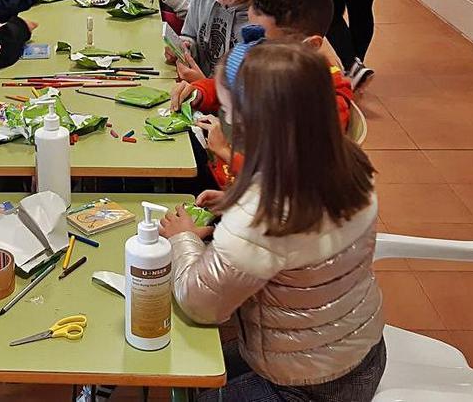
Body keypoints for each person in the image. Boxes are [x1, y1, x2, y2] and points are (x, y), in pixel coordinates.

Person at [159, 43, 385, 402]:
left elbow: (198, 303)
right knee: (197, 370)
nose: (225, 122)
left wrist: (183, 238)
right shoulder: (346, 159)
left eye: (228, 111)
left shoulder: (262, 211)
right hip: (356, 351)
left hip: (305, 385)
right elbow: (295, 241)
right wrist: (232, 206)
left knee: (187, 377)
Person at [173, 0, 356, 187]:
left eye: (264, 41)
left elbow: (290, 175)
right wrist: (199, 92)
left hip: (250, 194)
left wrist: (224, 150)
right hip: (225, 174)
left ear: (310, 45)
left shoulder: (325, 103)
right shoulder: (272, 65)